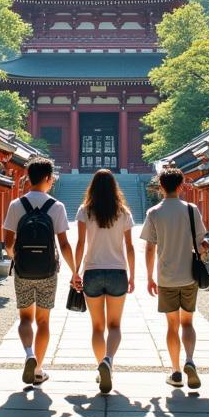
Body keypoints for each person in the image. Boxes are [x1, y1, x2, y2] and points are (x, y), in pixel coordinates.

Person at [2, 156, 79, 386]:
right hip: (47, 271)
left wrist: (18, 259)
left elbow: (7, 243)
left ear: (28, 178)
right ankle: (38, 370)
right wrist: (75, 271)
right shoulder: (56, 207)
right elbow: (64, 244)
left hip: (23, 270)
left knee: (25, 318)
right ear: (47, 178)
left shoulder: (16, 205)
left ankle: (29, 354)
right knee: (43, 321)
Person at [140, 165, 209, 389]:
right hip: (189, 274)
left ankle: (176, 371)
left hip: (166, 276)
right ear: (181, 186)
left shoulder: (154, 213)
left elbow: (150, 248)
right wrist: (203, 250)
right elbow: (202, 245)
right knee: (187, 322)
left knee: (172, 325)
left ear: (160, 187)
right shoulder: (192, 210)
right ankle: (190, 359)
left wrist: (149, 277)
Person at [73, 169, 135, 395]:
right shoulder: (123, 212)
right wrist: (133, 275)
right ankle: (108, 360)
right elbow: (129, 246)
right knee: (115, 326)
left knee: (97, 327)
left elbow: (80, 243)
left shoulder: (84, 211)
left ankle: (102, 366)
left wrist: (75, 272)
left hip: (92, 271)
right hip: (118, 271)